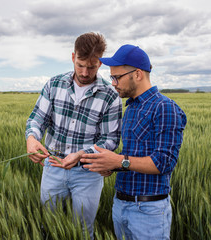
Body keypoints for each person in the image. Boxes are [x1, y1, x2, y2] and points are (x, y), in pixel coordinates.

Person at [80, 44, 187, 240]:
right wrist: (112, 165)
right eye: (112, 77)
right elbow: (133, 156)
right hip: (121, 205)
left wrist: (119, 161)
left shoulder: (164, 108)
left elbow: (165, 162)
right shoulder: (131, 108)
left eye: (117, 77)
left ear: (137, 74)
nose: (113, 83)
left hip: (148, 211)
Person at [25, 32, 122, 238]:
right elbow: (37, 119)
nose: (85, 72)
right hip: (53, 166)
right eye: (80, 65)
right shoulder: (54, 84)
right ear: (73, 57)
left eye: (92, 66)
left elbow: (110, 139)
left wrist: (80, 155)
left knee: (83, 230)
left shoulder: (110, 95)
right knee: (48, 226)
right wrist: (32, 139)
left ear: (100, 64)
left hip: (88, 172)